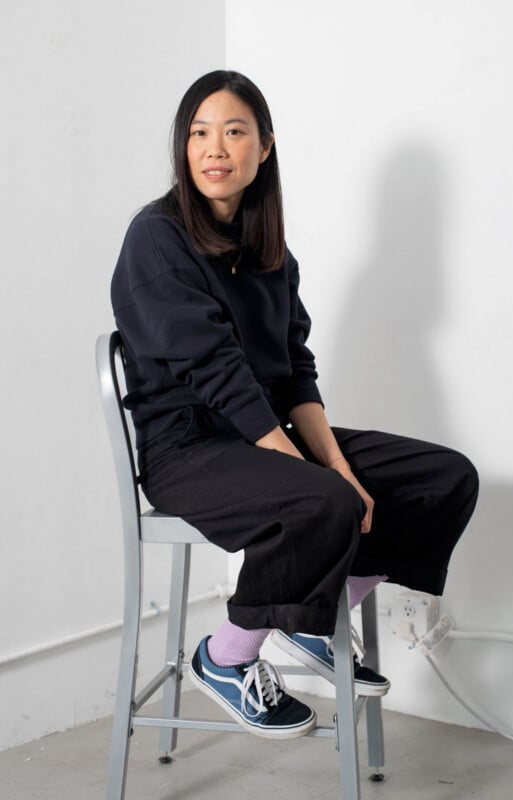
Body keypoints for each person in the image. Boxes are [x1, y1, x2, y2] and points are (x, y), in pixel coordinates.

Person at [111, 70, 478, 740]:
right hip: (186, 449)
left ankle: (311, 617)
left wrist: (334, 461)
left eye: (233, 131)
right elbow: (216, 375)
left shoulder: (270, 254)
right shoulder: (155, 240)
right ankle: (226, 656)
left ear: (264, 147)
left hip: (256, 433)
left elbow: (294, 376)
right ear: (181, 147)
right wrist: (323, 478)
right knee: (324, 501)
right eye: (198, 133)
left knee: (442, 478)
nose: (213, 148)